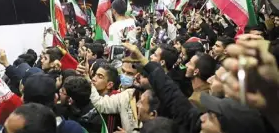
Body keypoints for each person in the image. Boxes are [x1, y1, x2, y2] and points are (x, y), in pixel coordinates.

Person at [122, 42, 268, 133]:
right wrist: (144, 60)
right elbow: (174, 98)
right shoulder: (198, 123)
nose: (202, 117)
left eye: (212, 116)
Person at [91, 64, 121, 133]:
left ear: (109, 85)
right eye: (95, 75)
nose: (93, 78)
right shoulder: (92, 95)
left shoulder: (115, 101)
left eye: (100, 77)